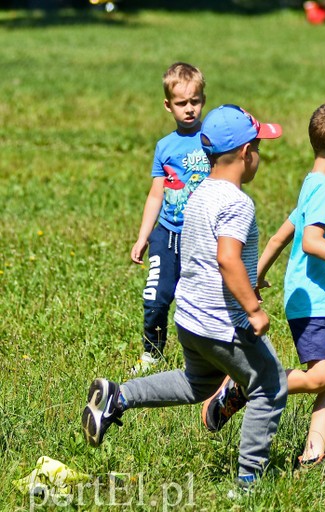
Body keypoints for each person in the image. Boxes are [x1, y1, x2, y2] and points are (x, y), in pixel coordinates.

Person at [82, 104, 288, 490]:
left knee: (197, 384)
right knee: (270, 385)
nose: (260, 155)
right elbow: (227, 259)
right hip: (223, 323)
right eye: (259, 146)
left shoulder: (199, 194)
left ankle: (118, 396)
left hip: (190, 319)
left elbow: (208, 258)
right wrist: (253, 307)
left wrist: (246, 282)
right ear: (246, 153)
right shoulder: (237, 202)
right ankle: (248, 482)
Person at [202, 102, 325, 466]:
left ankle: (313, 453)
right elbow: (310, 242)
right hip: (314, 301)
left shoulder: (314, 183)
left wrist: (256, 274)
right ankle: (245, 388)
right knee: (321, 376)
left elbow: (280, 237)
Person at [129, 62, 211, 375]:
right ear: (168, 105)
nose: (189, 109)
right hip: (166, 234)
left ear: (203, 99)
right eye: (181, 103)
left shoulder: (212, 139)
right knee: (156, 297)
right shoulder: (165, 146)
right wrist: (143, 236)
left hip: (201, 236)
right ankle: (151, 354)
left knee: (198, 300)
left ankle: (204, 358)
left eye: (195, 101)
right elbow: (155, 195)